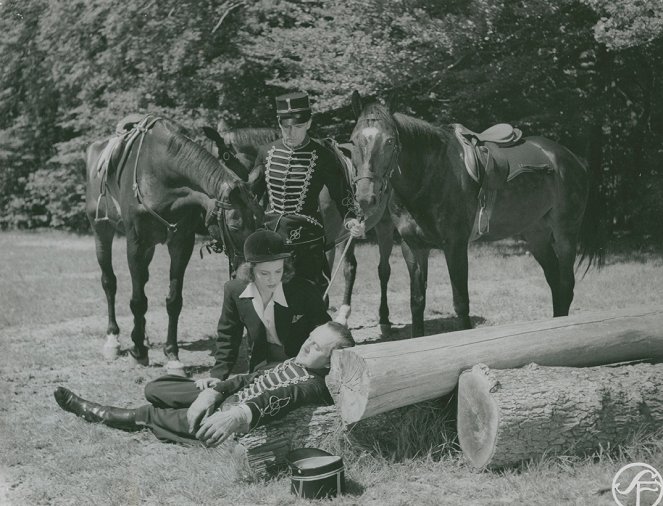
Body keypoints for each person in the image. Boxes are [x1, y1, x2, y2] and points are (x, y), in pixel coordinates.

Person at [53, 322, 355, 446]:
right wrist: (215, 389)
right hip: (223, 400)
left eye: (317, 347)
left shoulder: (316, 384)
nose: (307, 345)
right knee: (156, 388)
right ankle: (190, 398)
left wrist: (236, 414)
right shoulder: (295, 361)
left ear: (331, 361)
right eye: (310, 338)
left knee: (148, 413)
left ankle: (92, 410)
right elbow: (249, 378)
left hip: (227, 421)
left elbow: (284, 395)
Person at [137, 228, 332, 412]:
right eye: (264, 273)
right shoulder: (235, 291)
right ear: (250, 269)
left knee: (231, 401)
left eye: (278, 271)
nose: (272, 279)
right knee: (155, 388)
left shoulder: (304, 290)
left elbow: (327, 333)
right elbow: (228, 335)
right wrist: (217, 376)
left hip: (295, 375)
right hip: (257, 373)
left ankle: (147, 416)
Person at [248, 91, 365, 296]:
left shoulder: (323, 156)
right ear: (279, 123)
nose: (291, 132)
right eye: (286, 126)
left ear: (309, 123)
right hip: (271, 239)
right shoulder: (266, 152)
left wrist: (352, 221)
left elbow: (343, 196)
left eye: (298, 127)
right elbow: (252, 196)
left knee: (312, 299)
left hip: (307, 240)